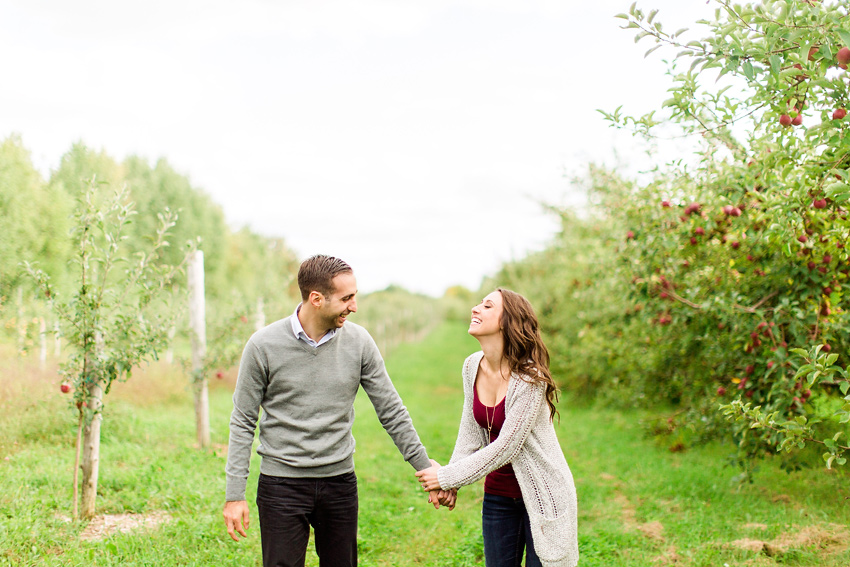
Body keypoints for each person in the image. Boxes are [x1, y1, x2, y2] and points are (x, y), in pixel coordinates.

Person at [223, 254, 451, 567]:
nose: (354, 306)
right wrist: (235, 494)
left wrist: (425, 466)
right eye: (347, 298)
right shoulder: (263, 345)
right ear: (316, 299)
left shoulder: (359, 342)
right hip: (281, 486)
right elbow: (243, 422)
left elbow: (391, 410)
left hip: (339, 482)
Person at [416, 288, 578, 567]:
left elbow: (506, 446)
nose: (475, 309)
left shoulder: (529, 378)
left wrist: (445, 477)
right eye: (479, 303)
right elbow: (469, 432)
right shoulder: (471, 366)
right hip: (498, 499)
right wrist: (451, 483)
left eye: (487, 306)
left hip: (544, 497)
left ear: (507, 322)